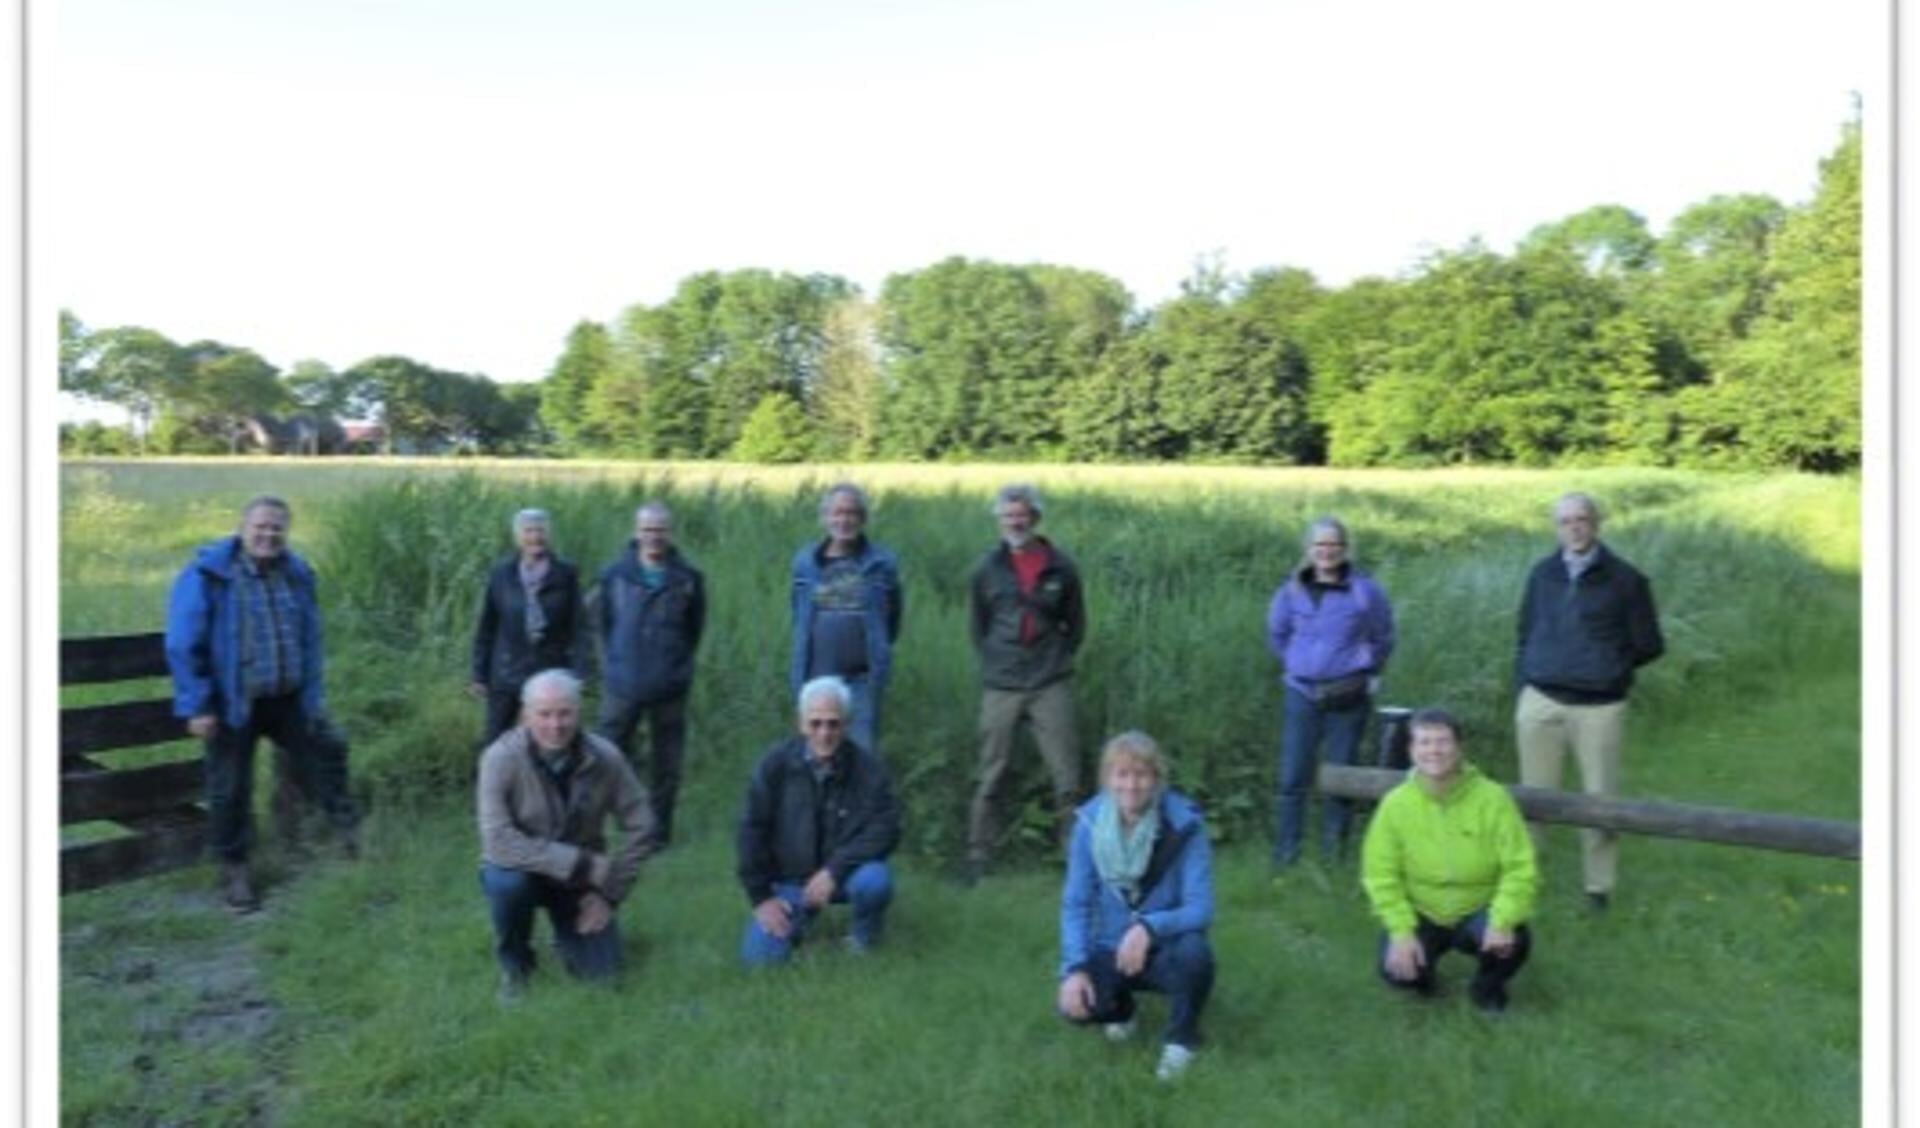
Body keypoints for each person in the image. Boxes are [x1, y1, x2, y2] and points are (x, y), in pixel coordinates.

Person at [165, 495, 359, 912]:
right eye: (261, 527)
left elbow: (309, 637)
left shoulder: (296, 572)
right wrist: (198, 705)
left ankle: (344, 839)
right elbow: (183, 643)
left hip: (288, 698)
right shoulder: (209, 574)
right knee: (230, 787)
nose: (269, 535)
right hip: (233, 702)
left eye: (277, 528)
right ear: (243, 528)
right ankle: (235, 871)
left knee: (326, 754)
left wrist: (312, 694)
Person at [1513, 492, 1665, 911]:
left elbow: (1649, 644)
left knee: (1599, 800)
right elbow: (1525, 632)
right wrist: (1525, 681)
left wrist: (1609, 668)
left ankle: (1598, 889)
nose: (1574, 527)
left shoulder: (1626, 580)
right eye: (1565, 521)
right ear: (1556, 527)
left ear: (1596, 524)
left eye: (1582, 519)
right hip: (1540, 700)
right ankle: (1526, 882)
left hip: (1600, 707)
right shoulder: (1542, 574)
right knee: (1533, 798)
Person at [476, 668, 655, 1002]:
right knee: (506, 883)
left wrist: (609, 895)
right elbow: (497, 841)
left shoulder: (606, 757)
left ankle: (567, 936)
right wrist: (583, 864)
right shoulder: (499, 758)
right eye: (544, 714)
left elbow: (643, 825)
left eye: (564, 713)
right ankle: (516, 967)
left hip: (576, 885)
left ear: (578, 712)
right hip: (522, 871)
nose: (555, 726)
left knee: (604, 975)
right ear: (525, 714)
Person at [1056, 732, 1215, 1083]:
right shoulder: (1088, 826)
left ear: (1157, 780)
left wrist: (1148, 927)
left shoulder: (1186, 825)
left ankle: (1181, 1040)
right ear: (1107, 779)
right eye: (1122, 774)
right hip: (1110, 946)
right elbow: (1076, 905)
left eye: (1142, 774)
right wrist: (1074, 970)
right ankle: (1121, 1011)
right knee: (1073, 1007)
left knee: (1196, 953)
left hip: (1166, 948)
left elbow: (1201, 908)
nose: (1131, 785)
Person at [1362, 708, 1536, 1013]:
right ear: (1411, 750)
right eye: (1424, 743)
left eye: (1443, 742)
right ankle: (1426, 984)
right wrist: (1401, 932)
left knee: (1512, 943)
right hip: (1423, 910)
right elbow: (1380, 875)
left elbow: (1520, 867)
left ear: (1459, 748)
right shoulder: (1395, 805)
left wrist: (1503, 919)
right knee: (1395, 969)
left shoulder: (1493, 799)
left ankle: (1486, 990)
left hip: (1479, 907)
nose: (1434, 751)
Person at [966, 483, 1086, 881]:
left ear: (1035, 517)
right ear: (999, 520)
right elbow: (978, 628)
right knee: (991, 773)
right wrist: (1000, 659)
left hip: (1050, 679)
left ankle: (1073, 858)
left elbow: (1076, 625)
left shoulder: (1062, 566)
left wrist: (1055, 658)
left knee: (1066, 774)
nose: (1015, 521)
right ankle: (979, 857)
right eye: (1008, 515)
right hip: (1001, 682)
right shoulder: (986, 569)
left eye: (1022, 514)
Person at [736, 676, 901, 966]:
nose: (824, 733)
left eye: (833, 723)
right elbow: (751, 830)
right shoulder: (774, 766)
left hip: (844, 874)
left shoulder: (868, 769)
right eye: (816, 723)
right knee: (758, 962)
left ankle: (862, 941)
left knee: (875, 881)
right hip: (790, 881)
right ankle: (798, 928)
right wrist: (761, 897)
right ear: (801, 724)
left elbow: (887, 827)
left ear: (846, 725)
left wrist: (833, 871)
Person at [1265, 516, 1397, 871]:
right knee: (1293, 777)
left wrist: (1364, 670)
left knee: (1340, 777)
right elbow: (1277, 636)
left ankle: (1332, 857)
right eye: (1319, 545)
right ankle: (1285, 858)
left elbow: (1383, 637)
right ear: (1309, 550)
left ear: (1344, 548)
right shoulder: (1290, 591)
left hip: (1348, 695)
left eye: (1333, 545)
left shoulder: (1364, 591)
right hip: (1301, 693)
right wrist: (1302, 664)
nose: (1326, 551)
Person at [593, 501, 706, 848]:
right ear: (635, 532)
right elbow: (601, 626)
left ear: (670, 533)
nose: (653, 537)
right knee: (608, 758)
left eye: (660, 530)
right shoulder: (613, 575)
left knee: (667, 766)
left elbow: (694, 630)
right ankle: (606, 825)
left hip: (670, 685)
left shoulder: (689, 578)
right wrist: (612, 666)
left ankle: (658, 836)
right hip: (622, 684)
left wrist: (678, 666)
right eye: (647, 530)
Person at [789, 482, 902, 758]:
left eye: (852, 513)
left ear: (862, 518)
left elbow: (893, 617)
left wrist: (879, 653)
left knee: (861, 753)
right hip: (815, 678)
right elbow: (797, 613)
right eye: (837, 513)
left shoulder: (881, 562)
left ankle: (856, 804)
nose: (844, 520)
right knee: (815, 754)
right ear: (824, 517)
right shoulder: (805, 561)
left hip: (861, 680)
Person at [468, 508, 585, 746]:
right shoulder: (501, 573)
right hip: (506, 672)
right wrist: (478, 674)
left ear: (549, 535)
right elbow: (487, 626)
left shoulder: (566, 573)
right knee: (495, 741)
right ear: (517, 537)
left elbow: (579, 628)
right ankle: (493, 783)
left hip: (550, 672)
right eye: (528, 531)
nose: (535, 537)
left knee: (546, 741)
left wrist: (578, 672)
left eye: (540, 530)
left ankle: (541, 784)